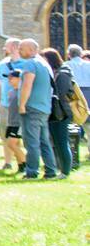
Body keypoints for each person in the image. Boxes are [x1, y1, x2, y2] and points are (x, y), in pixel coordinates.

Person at [15, 38, 60, 179]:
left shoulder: (31, 64)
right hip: (44, 107)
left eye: (21, 48)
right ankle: (51, 170)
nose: (19, 51)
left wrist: (22, 104)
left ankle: (32, 171)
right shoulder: (44, 63)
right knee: (44, 141)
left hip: (32, 107)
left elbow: (27, 84)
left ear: (31, 49)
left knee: (31, 142)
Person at [44, 47, 75, 178]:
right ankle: (59, 168)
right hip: (54, 111)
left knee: (62, 142)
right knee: (55, 142)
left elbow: (61, 93)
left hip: (61, 112)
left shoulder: (62, 73)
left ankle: (66, 170)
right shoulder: (55, 72)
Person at [0, 38, 21, 169]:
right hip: (5, 104)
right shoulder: (2, 64)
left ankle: (22, 160)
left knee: (20, 134)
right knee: (5, 133)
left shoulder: (26, 63)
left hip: (21, 103)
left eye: (7, 46)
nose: (4, 49)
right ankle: (8, 162)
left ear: (15, 47)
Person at [2, 68, 28, 174]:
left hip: (18, 122)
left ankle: (26, 164)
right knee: (14, 144)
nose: (9, 80)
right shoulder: (11, 92)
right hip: (11, 122)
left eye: (11, 78)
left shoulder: (23, 91)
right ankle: (20, 165)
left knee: (11, 144)